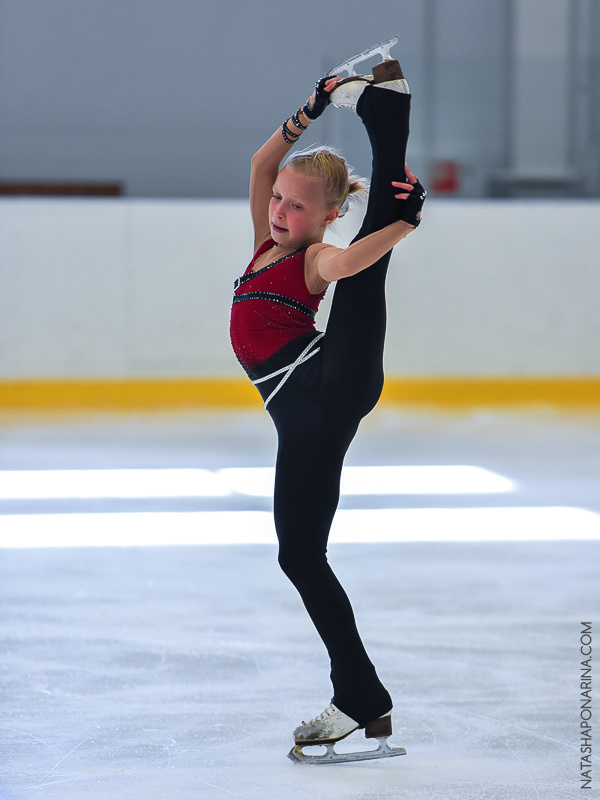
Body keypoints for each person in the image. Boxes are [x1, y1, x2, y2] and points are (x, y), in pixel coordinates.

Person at [229, 47, 425, 761]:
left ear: (330, 215)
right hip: (307, 408)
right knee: (300, 554)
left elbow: (348, 263)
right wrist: (309, 112)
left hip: (325, 385)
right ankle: (361, 693)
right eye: (279, 200)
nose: (281, 211)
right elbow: (260, 165)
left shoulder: (313, 256)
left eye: (298, 206)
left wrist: (401, 226)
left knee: (367, 275)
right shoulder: (266, 244)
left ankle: (386, 114)